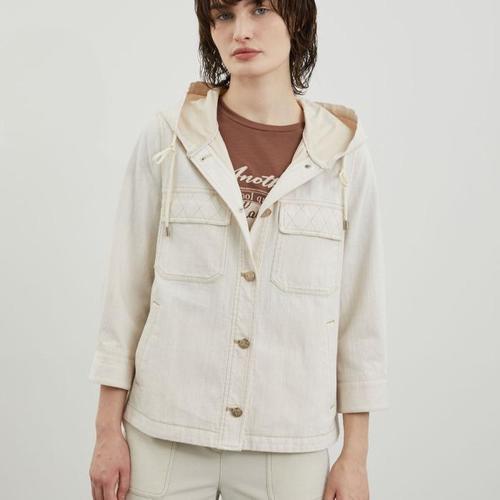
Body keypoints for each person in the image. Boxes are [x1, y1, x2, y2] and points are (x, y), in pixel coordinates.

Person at [88, 1, 389, 499]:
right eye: (223, 15)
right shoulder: (169, 138)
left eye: (260, 9)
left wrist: (354, 457)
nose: (241, 31)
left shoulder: (343, 156)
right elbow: (125, 296)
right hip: (165, 432)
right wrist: (106, 432)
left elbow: (361, 316)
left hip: (288, 440)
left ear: (297, 19)